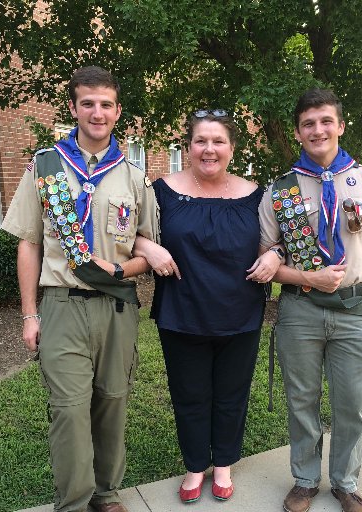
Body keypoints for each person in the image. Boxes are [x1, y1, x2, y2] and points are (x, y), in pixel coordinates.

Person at [2, 66, 158, 512]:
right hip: (61, 305)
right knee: (69, 411)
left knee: (112, 402)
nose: (97, 112)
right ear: (72, 107)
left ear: (117, 111)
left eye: (106, 104)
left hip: (116, 308)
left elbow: (149, 252)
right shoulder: (45, 165)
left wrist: (120, 268)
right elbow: (29, 243)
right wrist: (29, 314)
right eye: (87, 103)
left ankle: (106, 494)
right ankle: (72, 502)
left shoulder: (133, 175)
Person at [133, 109, 283, 503]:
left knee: (232, 395)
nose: (209, 149)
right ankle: (195, 467)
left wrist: (277, 254)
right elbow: (125, 232)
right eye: (201, 141)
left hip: (241, 313)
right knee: (190, 395)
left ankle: (224, 465)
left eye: (218, 142)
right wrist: (147, 246)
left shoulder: (256, 194)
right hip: (182, 313)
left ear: (232, 148)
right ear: (188, 146)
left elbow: (283, 238)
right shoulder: (160, 190)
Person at [258, 89, 362, 512]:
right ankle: (304, 480)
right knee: (302, 401)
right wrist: (308, 277)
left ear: (340, 125)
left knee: (354, 403)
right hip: (300, 308)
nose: (318, 130)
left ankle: (345, 482)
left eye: (325, 121)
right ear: (298, 132)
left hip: (354, 310)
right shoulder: (280, 190)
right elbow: (267, 263)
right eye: (308, 123)